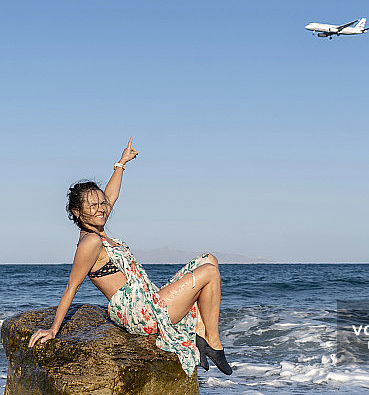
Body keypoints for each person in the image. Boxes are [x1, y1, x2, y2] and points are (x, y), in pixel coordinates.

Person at [27, 138, 232, 376]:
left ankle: (200, 331)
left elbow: (111, 195)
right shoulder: (91, 242)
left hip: (148, 298)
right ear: (77, 212)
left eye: (102, 203)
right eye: (92, 205)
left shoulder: (99, 229)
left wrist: (121, 163)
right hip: (138, 312)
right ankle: (213, 343)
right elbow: (72, 286)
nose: (101, 208)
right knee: (209, 272)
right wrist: (53, 330)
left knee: (209, 260)